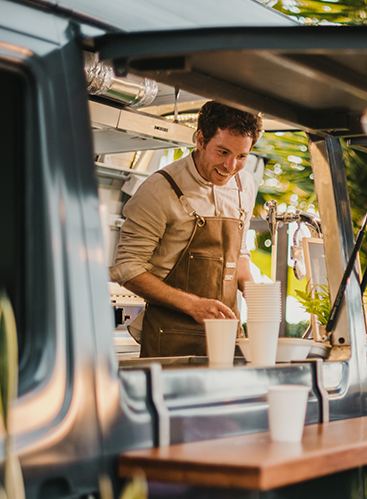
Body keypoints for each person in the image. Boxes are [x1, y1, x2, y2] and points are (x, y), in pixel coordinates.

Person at [110, 101, 262, 358]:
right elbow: (127, 268)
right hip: (170, 341)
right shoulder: (160, 189)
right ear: (201, 140)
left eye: (241, 156)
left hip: (227, 338)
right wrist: (193, 305)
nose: (230, 166)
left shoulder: (244, 185)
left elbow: (238, 251)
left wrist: (252, 291)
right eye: (222, 152)